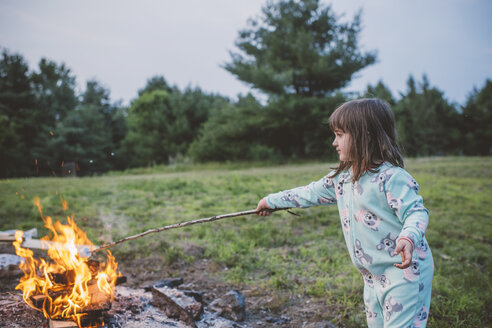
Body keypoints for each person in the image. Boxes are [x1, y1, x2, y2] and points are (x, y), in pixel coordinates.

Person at [256, 98, 434, 328]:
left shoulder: (392, 179)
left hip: (404, 272)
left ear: (365, 135)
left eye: (340, 135)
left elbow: (416, 212)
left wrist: (408, 237)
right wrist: (271, 201)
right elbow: (308, 193)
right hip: (371, 275)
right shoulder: (342, 180)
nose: (334, 142)